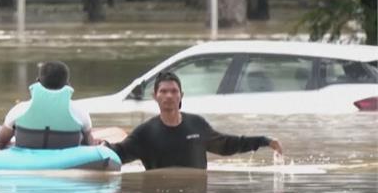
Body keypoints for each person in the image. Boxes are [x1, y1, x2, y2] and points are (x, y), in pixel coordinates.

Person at [103, 71, 284, 170]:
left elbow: (227, 144)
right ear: (155, 96)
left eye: (173, 91)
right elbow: (118, 153)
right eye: (163, 91)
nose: (169, 96)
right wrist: (98, 146)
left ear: (181, 96)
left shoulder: (197, 125)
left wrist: (263, 141)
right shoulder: (145, 133)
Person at [0, 61, 94, 150]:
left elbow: (1, 140)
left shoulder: (19, 109)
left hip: (27, 159)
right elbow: (89, 143)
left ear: (38, 81)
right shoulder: (80, 111)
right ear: (67, 83)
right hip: (68, 159)